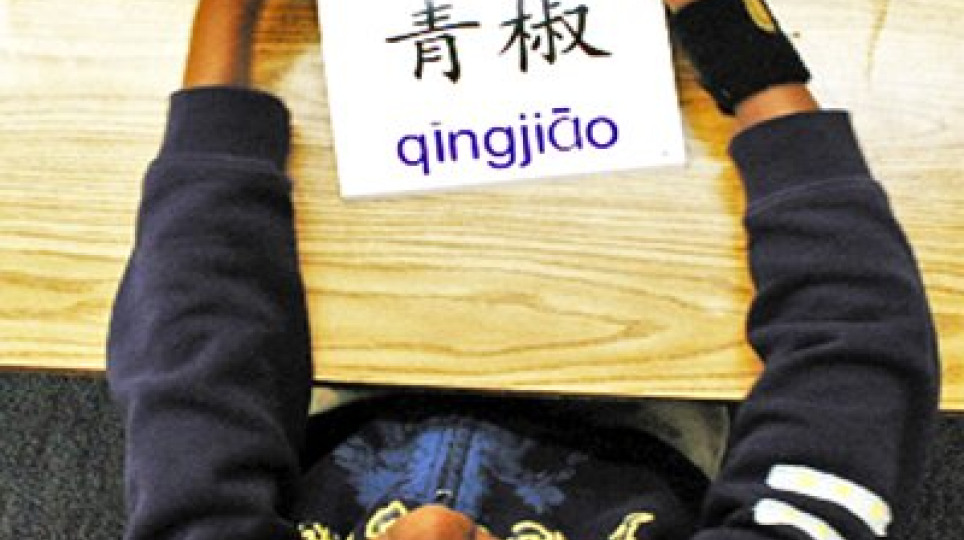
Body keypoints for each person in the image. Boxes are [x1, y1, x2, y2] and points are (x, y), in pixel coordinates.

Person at [106, 0, 941, 539]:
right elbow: (858, 349)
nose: (431, 525)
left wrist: (227, 23)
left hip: (353, 375)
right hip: (637, 397)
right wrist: (736, 41)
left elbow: (193, 347)